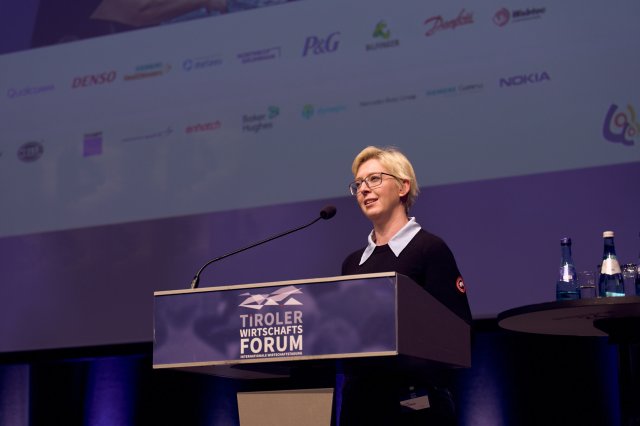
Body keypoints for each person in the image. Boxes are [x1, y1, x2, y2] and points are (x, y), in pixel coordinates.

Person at [339, 145, 472, 425]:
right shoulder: (352, 263)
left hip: (415, 404)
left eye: (374, 179)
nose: (364, 189)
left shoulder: (429, 249)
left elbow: (458, 334)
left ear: (403, 187)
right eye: (359, 184)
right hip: (359, 405)